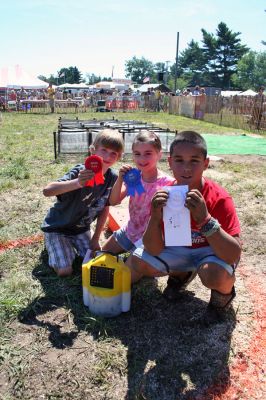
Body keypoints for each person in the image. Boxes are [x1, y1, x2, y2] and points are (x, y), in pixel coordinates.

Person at [126, 131, 241, 322]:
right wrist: (155, 217)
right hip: (180, 248)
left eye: (194, 160)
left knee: (214, 275)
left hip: (212, 252)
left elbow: (232, 253)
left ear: (206, 163)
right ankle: (182, 274)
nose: (186, 168)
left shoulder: (219, 197)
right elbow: (153, 248)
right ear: (170, 162)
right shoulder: (166, 195)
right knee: (137, 261)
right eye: (179, 160)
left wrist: (205, 220)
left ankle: (222, 297)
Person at [41, 129, 124, 277]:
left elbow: (105, 208)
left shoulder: (113, 178)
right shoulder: (81, 171)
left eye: (113, 153)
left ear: (118, 157)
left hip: (81, 229)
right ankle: (53, 243)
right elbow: (47, 190)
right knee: (65, 271)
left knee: (97, 260)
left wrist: (95, 238)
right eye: (103, 150)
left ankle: (70, 246)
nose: (107, 156)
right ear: (93, 150)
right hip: (58, 228)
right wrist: (78, 183)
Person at [102, 131, 175, 255]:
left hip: (150, 239)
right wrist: (120, 178)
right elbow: (114, 201)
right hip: (130, 231)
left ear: (159, 154)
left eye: (148, 153)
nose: (142, 159)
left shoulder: (168, 184)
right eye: (137, 154)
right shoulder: (133, 177)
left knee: (131, 270)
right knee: (103, 253)